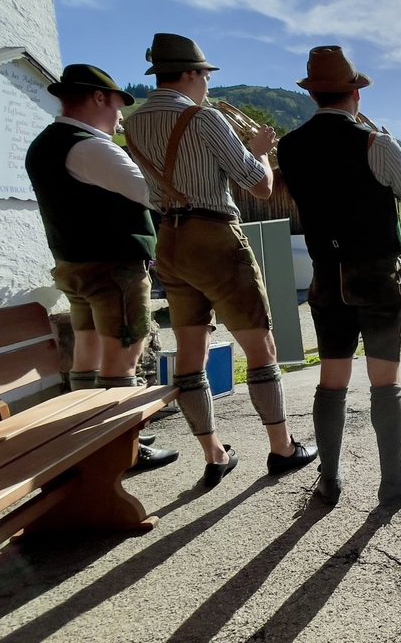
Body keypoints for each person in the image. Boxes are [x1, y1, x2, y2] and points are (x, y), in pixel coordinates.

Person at [124, 33, 316, 488]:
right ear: (189, 74)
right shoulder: (203, 117)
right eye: (205, 75)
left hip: (167, 239)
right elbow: (260, 186)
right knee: (260, 347)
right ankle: (282, 447)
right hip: (213, 235)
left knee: (190, 352)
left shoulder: (132, 124)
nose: (208, 83)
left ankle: (214, 454)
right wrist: (262, 152)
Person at [277, 46, 401, 507]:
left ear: (313, 95)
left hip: (327, 272)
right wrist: (389, 146)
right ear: (355, 94)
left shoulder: (289, 146)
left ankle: (329, 478)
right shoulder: (374, 141)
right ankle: (391, 480)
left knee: (332, 377)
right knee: (385, 379)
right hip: (377, 272)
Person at [25, 64, 178, 473]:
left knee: (88, 356)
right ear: (97, 98)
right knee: (122, 358)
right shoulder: (92, 146)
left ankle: (89, 434)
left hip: (75, 266)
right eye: (117, 105)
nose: (120, 116)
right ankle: (122, 447)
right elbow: (155, 194)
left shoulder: (44, 144)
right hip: (113, 268)